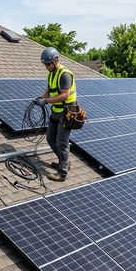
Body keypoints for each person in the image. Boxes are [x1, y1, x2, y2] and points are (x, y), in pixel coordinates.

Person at [33, 47, 77, 182]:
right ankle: (64, 162)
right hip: (55, 111)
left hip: (67, 112)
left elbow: (65, 95)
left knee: (62, 143)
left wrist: (45, 101)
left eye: (48, 64)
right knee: (51, 139)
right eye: (45, 64)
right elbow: (49, 91)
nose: (46, 67)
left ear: (56, 61)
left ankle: (62, 173)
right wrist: (40, 98)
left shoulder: (65, 74)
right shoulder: (50, 74)